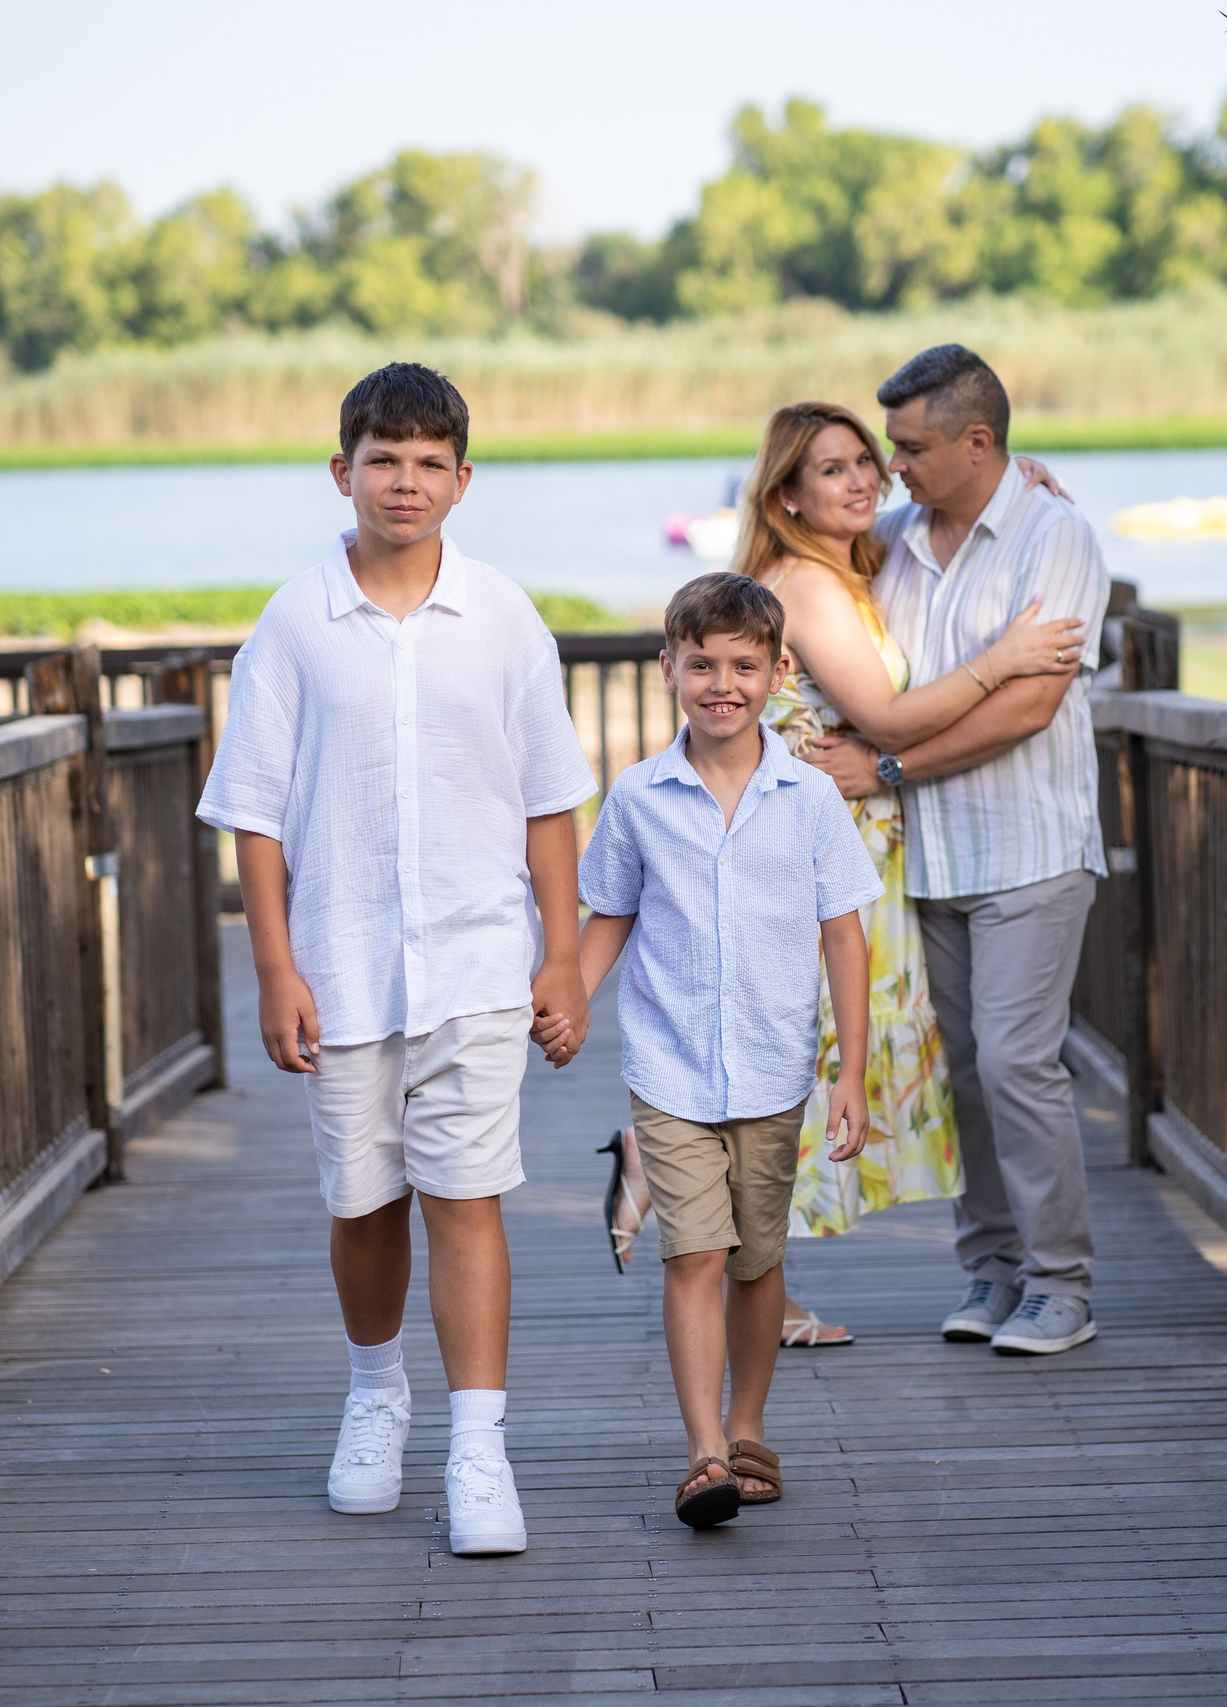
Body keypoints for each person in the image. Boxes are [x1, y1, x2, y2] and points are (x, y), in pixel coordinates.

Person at [196, 362, 595, 1558]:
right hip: (348, 966)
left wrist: (562, 955)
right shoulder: (294, 623)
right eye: (384, 460)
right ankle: (377, 1397)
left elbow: (548, 804)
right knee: (365, 1201)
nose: (406, 483)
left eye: (430, 463)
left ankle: (480, 1444)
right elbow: (255, 814)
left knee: (467, 1198)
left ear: (463, 481)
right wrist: (274, 969)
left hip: (478, 964)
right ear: (342, 472)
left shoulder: (507, 618)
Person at [597, 432, 1084, 1349]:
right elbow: (888, 716)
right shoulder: (811, 584)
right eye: (833, 468)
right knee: (797, 1048)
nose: (866, 479)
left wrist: (1013, 479)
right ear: (786, 492)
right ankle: (718, 1233)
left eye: (871, 459)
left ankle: (671, 1180)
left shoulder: (858, 558)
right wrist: (1010, 653)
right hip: (815, 836)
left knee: (803, 1048)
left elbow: (922, 504)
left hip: (859, 835)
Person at [803, 344, 1110, 1357]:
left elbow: (1030, 704)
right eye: (888, 448)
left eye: (912, 447)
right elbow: (792, 537)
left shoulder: (1052, 535)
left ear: (980, 443)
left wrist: (887, 769)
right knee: (966, 1077)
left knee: (1019, 1064)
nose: (893, 467)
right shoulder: (890, 538)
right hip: (925, 864)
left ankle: (1062, 1286)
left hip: (1028, 848)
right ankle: (992, 1274)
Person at [574, 572, 881, 1527]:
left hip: (773, 1067)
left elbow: (844, 935)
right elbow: (608, 915)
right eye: (700, 662)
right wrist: (568, 1002)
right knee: (693, 1253)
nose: (722, 683)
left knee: (757, 1258)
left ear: (778, 670)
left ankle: (749, 1426)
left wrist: (852, 1074)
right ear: (667, 666)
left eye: (744, 665)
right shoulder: (637, 798)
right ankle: (704, 1450)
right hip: (667, 1068)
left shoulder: (810, 799)